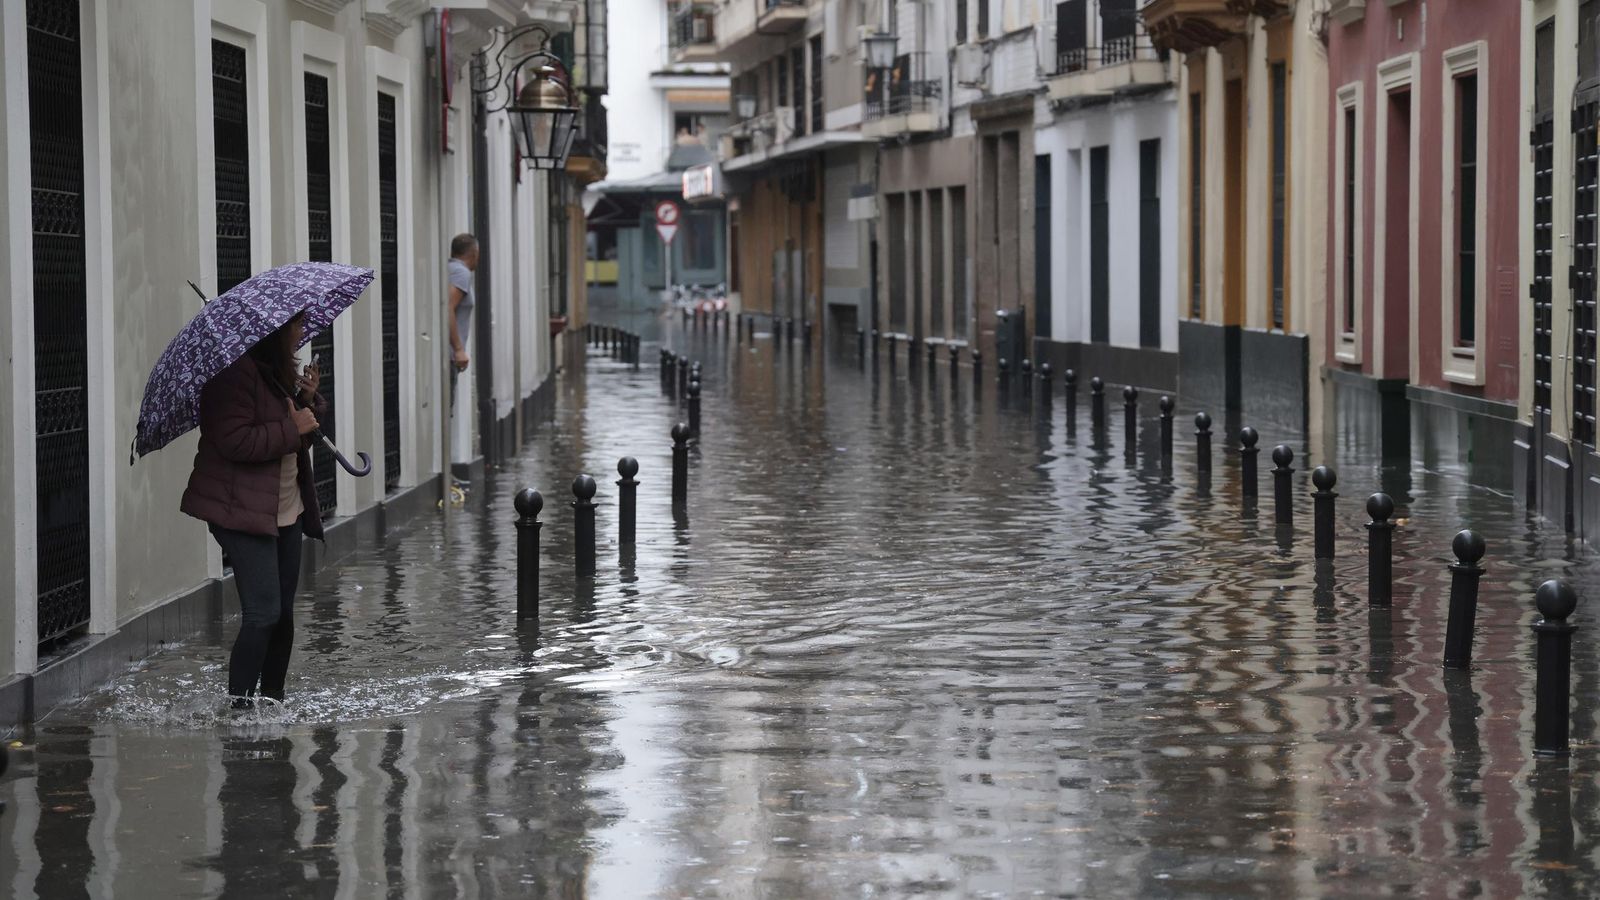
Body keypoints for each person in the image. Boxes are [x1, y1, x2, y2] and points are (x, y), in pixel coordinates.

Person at [180, 312, 324, 709]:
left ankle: (273, 705)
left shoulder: (275, 373)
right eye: (297, 326)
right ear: (277, 331)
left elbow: (292, 440)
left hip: (286, 508)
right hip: (241, 511)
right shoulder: (232, 375)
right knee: (263, 614)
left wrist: (307, 402)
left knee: (283, 617)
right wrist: (292, 427)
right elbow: (234, 442)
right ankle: (240, 712)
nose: (302, 333)